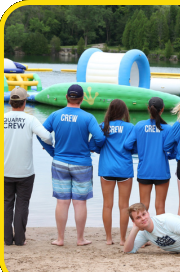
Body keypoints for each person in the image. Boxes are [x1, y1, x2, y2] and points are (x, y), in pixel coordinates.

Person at [39, 84, 106, 246]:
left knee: (62, 201)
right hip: (82, 164)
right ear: (82, 99)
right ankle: (80, 239)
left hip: (59, 162)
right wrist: (90, 147)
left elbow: (41, 134)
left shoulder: (55, 115)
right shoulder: (88, 117)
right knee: (80, 202)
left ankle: (60, 239)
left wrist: (52, 151)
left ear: (67, 97)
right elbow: (100, 138)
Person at [4, 87, 53, 246]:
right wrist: (51, 144)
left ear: (10, 102)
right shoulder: (30, 119)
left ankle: (6, 239)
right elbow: (46, 136)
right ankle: (19, 239)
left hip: (4, 171)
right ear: (24, 103)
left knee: (6, 205)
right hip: (25, 172)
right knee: (22, 205)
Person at [89, 99, 135, 246]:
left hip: (106, 168)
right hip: (124, 169)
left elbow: (92, 146)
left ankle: (109, 239)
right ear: (123, 112)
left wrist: (102, 150)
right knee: (124, 206)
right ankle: (122, 239)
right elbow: (134, 148)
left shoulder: (103, 126)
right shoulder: (129, 127)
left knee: (107, 205)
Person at [124, 97, 174, 215]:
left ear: (148, 108)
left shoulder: (139, 126)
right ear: (162, 109)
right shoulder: (167, 128)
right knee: (160, 206)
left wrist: (140, 149)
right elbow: (172, 150)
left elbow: (127, 145)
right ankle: (159, 233)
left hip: (144, 171)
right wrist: (169, 156)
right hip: (162, 171)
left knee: (144, 206)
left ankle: (145, 232)